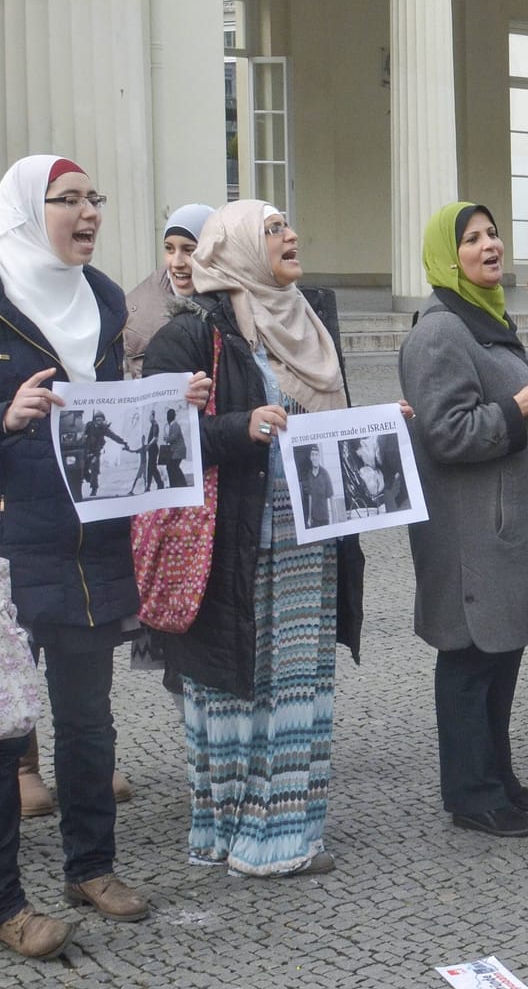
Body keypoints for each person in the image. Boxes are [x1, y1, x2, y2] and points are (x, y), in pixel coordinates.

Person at [0, 157, 211, 956]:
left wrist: (170, 403)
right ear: (29, 210)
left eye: (96, 199)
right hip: (2, 547)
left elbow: (110, 410)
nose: (89, 213)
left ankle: (91, 864)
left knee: (89, 722)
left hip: (90, 542)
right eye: (70, 200)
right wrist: (6, 416)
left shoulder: (101, 299)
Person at [144, 200, 372, 879]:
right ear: (240, 246)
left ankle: (285, 836)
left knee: (296, 687)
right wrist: (237, 427)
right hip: (235, 545)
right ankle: (229, 833)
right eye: (273, 230)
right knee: (233, 686)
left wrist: (381, 429)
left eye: (288, 226)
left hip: (307, 542)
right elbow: (158, 443)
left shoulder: (308, 320)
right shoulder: (189, 335)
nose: (291, 235)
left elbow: (330, 425)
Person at [400, 203, 528, 838]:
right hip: (468, 533)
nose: (488, 246)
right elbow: (447, 432)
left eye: (493, 233)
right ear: (449, 255)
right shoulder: (441, 331)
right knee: (470, 660)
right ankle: (471, 795)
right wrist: (515, 408)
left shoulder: (486, 322)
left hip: (498, 529)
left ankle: (497, 776)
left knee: (500, 654)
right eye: (471, 239)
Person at [122, 203, 214, 378]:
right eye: (169, 249)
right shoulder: (137, 313)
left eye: (189, 250)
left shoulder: (235, 299)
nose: (176, 262)